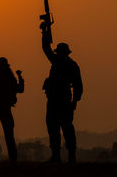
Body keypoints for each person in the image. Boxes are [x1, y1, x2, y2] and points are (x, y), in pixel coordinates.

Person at [40, 23, 83, 163]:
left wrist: (74, 102)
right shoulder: (58, 62)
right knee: (53, 127)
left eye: (59, 52)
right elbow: (46, 49)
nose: (57, 54)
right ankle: (56, 156)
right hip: (54, 98)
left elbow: (78, 85)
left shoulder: (70, 65)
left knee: (66, 128)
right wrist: (44, 32)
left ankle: (71, 155)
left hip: (63, 99)